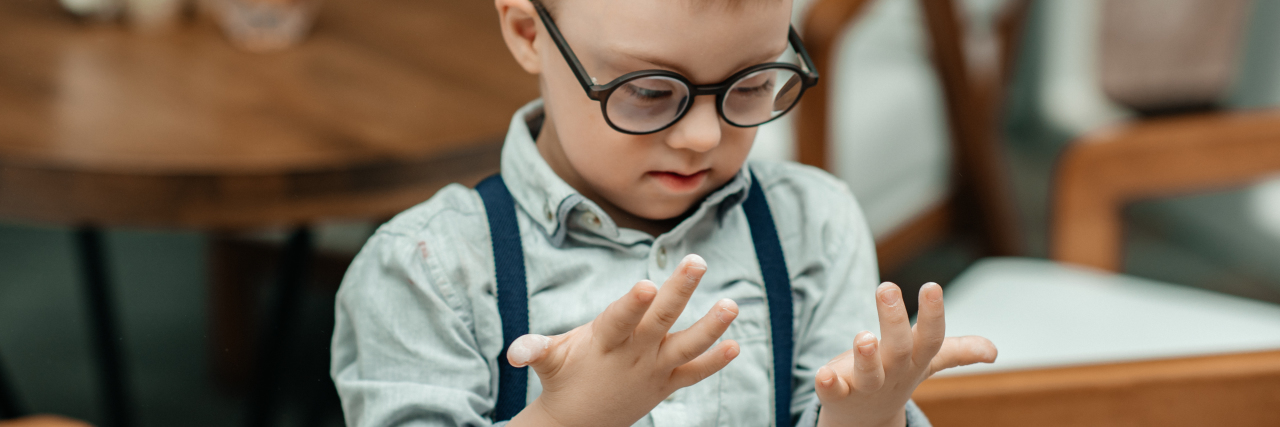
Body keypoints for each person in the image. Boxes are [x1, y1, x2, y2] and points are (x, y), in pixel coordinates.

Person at [329, 0, 997, 425]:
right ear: (529, 31)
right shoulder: (425, 270)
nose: (703, 137)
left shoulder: (814, 224)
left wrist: (864, 419)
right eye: (650, 91)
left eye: (754, 83)